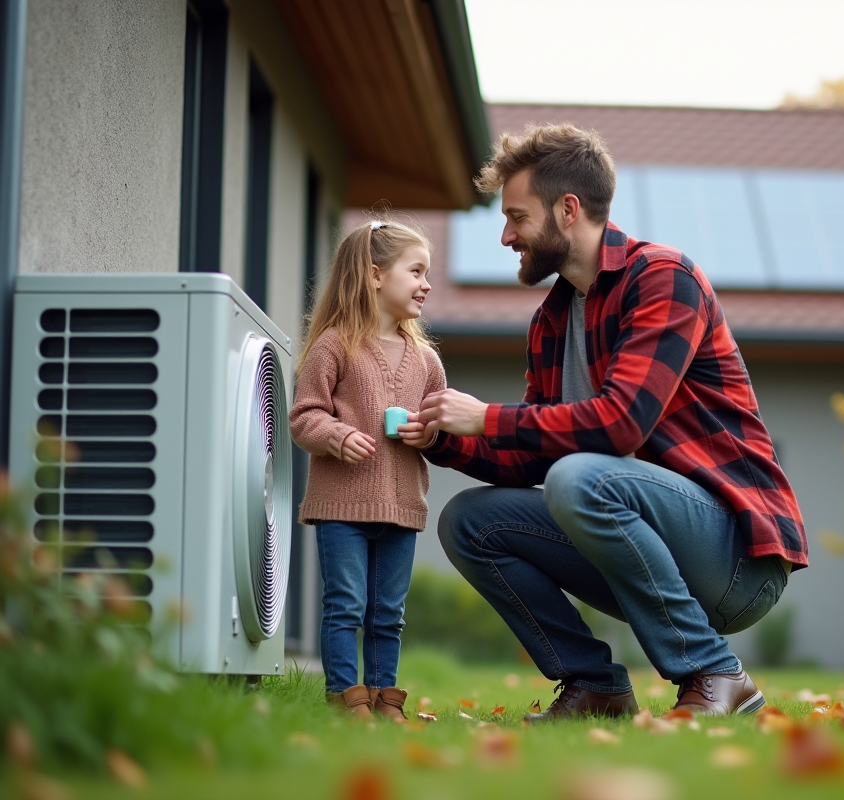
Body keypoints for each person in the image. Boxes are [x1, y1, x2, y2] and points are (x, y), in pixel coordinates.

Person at [415, 123, 807, 721]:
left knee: (580, 478)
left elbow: (621, 426)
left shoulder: (664, 279)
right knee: (470, 522)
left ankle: (715, 671)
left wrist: (487, 416)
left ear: (568, 209)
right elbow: (532, 459)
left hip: (736, 558)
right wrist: (444, 438)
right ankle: (595, 685)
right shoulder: (550, 321)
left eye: (517, 216)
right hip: (640, 543)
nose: (506, 235)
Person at [289, 219, 445, 722]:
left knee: (388, 614)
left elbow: (439, 426)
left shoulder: (426, 360)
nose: (426, 284)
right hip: (341, 505)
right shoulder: (335, 345)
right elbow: (303, 416)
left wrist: (429, 433)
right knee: (346, 604)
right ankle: (344, 696)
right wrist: (337, 435)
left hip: (403, 505)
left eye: (428, 274)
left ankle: (383, 698)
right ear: (376, 275)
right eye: (416, 271)